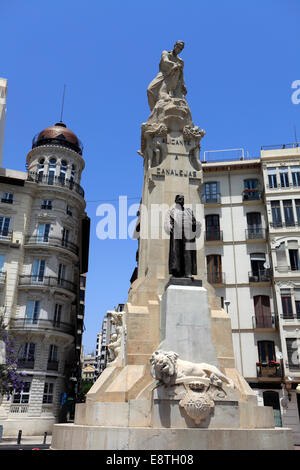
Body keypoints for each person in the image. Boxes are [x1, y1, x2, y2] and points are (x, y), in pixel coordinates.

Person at [164, 195, 200, 278]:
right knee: (177, 252)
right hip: (177, 233)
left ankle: (188, 272)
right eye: (180, 199)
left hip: (188, 233)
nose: (181, 200)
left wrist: (196, 225)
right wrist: (170, 227)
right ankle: (177, 273)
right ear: (176, 201)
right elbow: (167, 224)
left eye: (183, 199)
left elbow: (194, 222)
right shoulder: (171, 212)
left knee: (188, 253)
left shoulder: (189, 211)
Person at [147, 41, 187, 111]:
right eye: (178, 47)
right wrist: (173, 64)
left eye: (181, 49)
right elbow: (165, 60)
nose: (179, 50)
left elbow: (181, 74)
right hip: (163, 74)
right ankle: (154, 110)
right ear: (175, 46)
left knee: (167, 95)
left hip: (172, 78)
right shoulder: (166, 53)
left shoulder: (180, 61)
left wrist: (183, 84)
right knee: (150, 89)